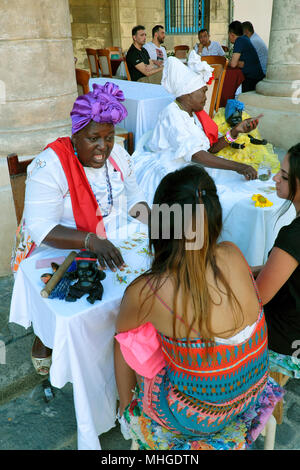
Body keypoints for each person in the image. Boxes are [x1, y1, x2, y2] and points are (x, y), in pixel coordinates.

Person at [114, 164, 284, 450]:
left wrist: (127, 401)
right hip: (253, 390)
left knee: (123, 343)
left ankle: (125, 413)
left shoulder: (146, 291)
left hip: (197, 418)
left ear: (161, 223)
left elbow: (124, 342)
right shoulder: (232, 252)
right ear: (213, 217)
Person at [11, 82, 149, 375]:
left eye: (109, 137)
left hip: (108, 236)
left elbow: (136, 202)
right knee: (63, 297)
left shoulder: (119, 157)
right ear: (75, 135)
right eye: (93, 138)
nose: (103, 147)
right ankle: (46, 332)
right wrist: (89, 240)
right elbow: (41, 228)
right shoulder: (51, 166)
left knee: (127, 288)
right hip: (52, 246)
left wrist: (161, 228)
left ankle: (108, 343)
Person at [132, 52, 261, 207]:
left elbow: (210, 149)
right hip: (172, 170)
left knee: (235, 183)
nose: (206, 97)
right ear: (187, 94)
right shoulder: (172, 114)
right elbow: (198, 156)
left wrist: (235, 131)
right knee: (221, 192)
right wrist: (239, 166)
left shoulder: (191, 115)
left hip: (192, 165)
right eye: (203, 92)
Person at [255, 143, 300, 378]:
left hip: (284, 342)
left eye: (283, 175)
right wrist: (255, 269)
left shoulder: (293, 236)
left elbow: (257, 298)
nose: (275, 178)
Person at [228, 20, 265, 92]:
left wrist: (227, 62)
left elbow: (233, 64)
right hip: (256, 77)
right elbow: (240, 63)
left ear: (232, 34)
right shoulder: (245, 38)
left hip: (252, 79)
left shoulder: (239, 40)